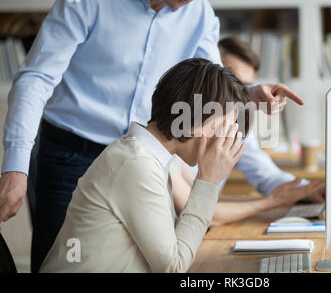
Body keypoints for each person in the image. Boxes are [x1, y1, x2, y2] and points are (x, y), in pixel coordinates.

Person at [0, 0, 305, 273]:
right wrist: (15, 166)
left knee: (132, 259)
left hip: (148, 153)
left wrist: (250, 94)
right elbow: (36, 78)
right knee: (68, 259)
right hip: (72, 152)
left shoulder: (199, 14)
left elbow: (213, 92)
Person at [40, 58, 252, 272]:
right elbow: (173, 266)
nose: (225, 141)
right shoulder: (137, 164)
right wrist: (208, 181)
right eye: (225, 129)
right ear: (196, 122)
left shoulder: (153, 157)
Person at [170, 37, 325, 226]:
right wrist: (271, 202)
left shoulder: (234, 128)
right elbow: (195, 210)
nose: (238, 93)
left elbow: (263, 173)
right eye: (234, 82)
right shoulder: (181, 133)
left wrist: (305, 190)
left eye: (245, 85)